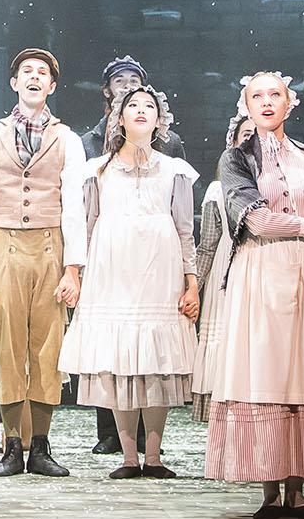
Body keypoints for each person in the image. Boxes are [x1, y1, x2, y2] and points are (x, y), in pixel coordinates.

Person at [204, 72, 304, 519]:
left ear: (290, 103)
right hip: (262, 271)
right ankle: (269, 489)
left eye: (275, 94)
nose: (267, 103)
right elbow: (254, 220)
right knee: (268, 371)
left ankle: (298, 489)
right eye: (258, 96)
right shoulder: (236, 158)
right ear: (247, 106)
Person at [61, 84, 200, 481]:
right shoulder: (97, 170)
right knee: (120, 361)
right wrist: (77, 273)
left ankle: (153, 456)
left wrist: (191, 283)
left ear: (160, 120)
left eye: (149, 107)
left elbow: (185, 230)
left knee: (156, 363)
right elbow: (85, 228)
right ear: (119, 118)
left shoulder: (176, 170)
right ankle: (127, 456)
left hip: (161, 269)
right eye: (133, 106)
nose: (141, 111)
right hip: (112, 270)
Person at [0, 46, 83, 478]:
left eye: (42, 73)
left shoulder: (67, 139)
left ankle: (42, 446)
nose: (34, 77)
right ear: (14, 83)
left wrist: (74, 267)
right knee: (8, 345)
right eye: (26, 72)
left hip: (50, 248)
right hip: (7, 248)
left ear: (52, 86)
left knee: (48, 347)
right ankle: (11, 444)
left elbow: (75, 206)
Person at [80, 56, 185, 457]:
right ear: (109, 93)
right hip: (113, 256)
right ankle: (112, 433)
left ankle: (151, 443)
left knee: (151, 343)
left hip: (156, 257)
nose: (129, 89)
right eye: (120, 82)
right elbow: (88, 216)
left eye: (136, 83)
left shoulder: (171, 151)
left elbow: (180, 216)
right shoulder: (93, 147)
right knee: (115, 342)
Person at [191, 110, 253, 424]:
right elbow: (208, 244)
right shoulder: (218, 190)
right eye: (246, 135)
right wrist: (192, 287)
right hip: (226, 272)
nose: (252, 140)